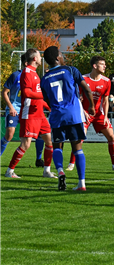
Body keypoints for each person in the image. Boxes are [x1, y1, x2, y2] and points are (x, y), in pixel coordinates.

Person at [41, 46, 96, 191]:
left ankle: (60, 171)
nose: (63, 56)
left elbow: (46, 99)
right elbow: (87, 89)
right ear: (57, 58)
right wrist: (91, 106)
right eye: (61, 54)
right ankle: (81, 183)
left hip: (57, 115)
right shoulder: (70, 70)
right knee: (77, 149)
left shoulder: (44, 78)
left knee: (57, 147)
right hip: (73, 115)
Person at [5, 48, 55, 179]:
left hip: (39, 114)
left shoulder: (35, 73)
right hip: (30, 113)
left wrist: (47, 105)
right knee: (26, 144)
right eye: (39, 56)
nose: (40, 58)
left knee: (49, 141)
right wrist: (42, 95)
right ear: (34, 59)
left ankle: (46, 171)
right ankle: (9, 171)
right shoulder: (27, 73)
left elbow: (37, 96)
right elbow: (27, 93)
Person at [70, 56, 114, 172]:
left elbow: (106, 99)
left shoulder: (107, 81)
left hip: (99, 114)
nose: (105, 66)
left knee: (111, 136)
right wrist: (83, 112)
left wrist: (106, 115)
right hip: (85, 113)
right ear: (94, 66)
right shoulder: (83, 79)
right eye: (102, 64)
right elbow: (76, 97)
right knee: (79, 139)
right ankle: (71, 164)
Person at [0, 54, 46, 166]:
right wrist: (10, 107)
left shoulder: (34, 76)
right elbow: (4, 92)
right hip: (15, 109)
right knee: (9, 134)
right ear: (26, 63)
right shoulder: (16, 75)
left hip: (28, 110)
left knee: (41, 134)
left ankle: (39, 159)